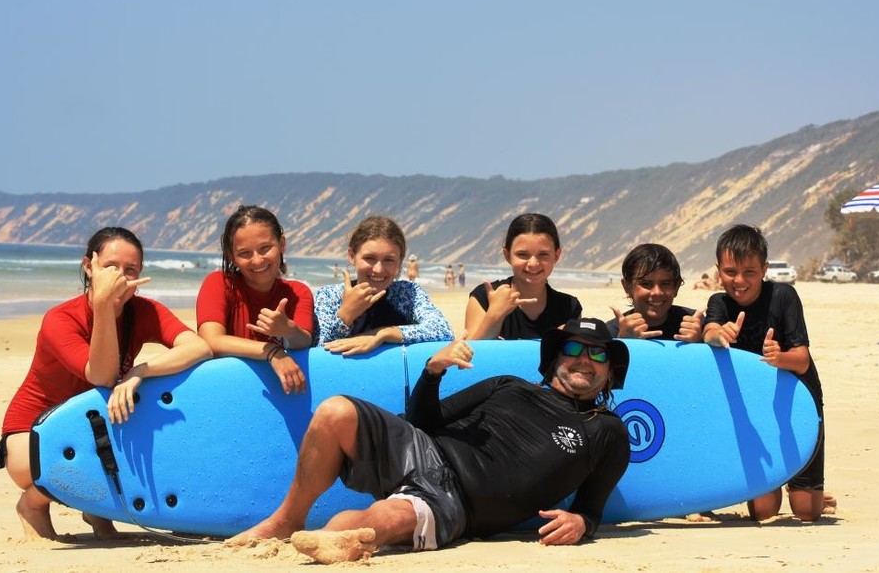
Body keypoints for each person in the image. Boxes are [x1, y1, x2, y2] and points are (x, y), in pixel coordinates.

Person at [227, 317, 631, 563]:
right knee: (335, 411)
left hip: (456, 504)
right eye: (575, 348)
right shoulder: (507, 385)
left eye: (598, 355)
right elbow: (425, 421)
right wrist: (432, 373)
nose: (584, 359)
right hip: (421, 448)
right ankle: (286, 521)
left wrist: (582, 522)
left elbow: (591, 507)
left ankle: (337, 539)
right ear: (556, 358)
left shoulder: (607, 430)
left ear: (610, 372)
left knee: (376, 524)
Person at [0, 227, 212, 541]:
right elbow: (102, 375)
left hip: (92, 425)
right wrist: (104, 306)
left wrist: (140, 371)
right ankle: (32, 504)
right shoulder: (61, 319)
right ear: (88, 266)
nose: (120, 278)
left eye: (130, 270)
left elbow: (199, 347)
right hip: (32, 436)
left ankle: (97, 512)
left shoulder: (143, 311)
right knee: (75, 462)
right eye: (110, 268)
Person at [702, 224, 835, 521]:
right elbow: (710, 331)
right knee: (763, 512)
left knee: (806, 513)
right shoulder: (719, 303)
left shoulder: (783, 296)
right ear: (718, 271)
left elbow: (801, 360)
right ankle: (786, 486)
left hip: (799, 402)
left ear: (764, 269)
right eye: (730, 272)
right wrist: (717, 334)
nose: (739, 281)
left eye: (750, 272)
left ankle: (812, 497)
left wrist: (779, 357)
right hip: (757, 410)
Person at [196, 205, 314, 394]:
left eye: (265, 248)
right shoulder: (218, 283)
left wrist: (288, 330)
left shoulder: (298, 292)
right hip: (227, 391)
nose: (257, 260)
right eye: (244, 253)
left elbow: (304, 341)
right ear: (231, 256)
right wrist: (271, 351)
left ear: (282, 244)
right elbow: (210, 341)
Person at [313, 216, 453, 355]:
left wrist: (382, 335)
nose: (378, 269)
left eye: (388, 260)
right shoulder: (329, 295)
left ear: (400, 261)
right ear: (352, 256)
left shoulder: (407, 293)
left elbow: (444, 331)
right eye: (369, 258)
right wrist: (346, 315)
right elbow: (317, 353)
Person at [465, 213, 581, 339]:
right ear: (507, 255)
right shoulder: (485, 297)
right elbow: (469, 355)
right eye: (523, 254)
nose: (533, 264)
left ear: (556, 255)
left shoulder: (569, 307)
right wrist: (494, 315)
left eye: (543, 254)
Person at [606, 243, 704, 342]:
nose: (657, 292)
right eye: (646, 284)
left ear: (676, 287)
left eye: (665, 283)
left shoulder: (694, 325)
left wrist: (699, 343)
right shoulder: (610, 333)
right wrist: (622, 342)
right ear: (627, 287)